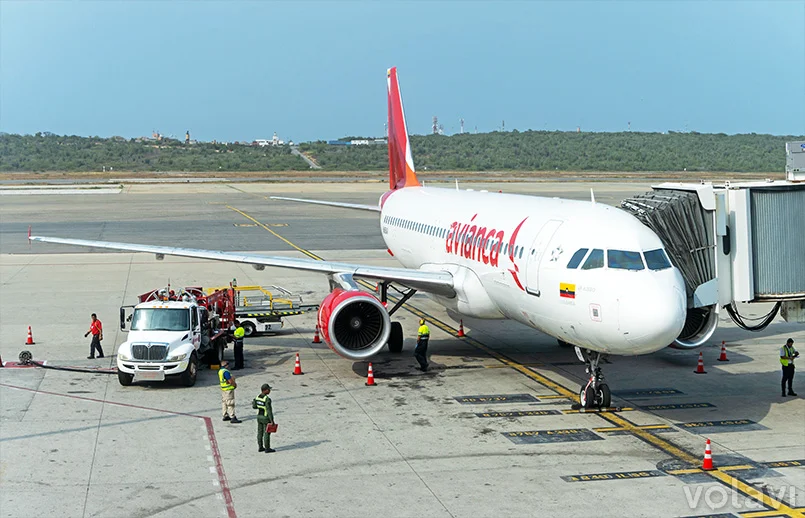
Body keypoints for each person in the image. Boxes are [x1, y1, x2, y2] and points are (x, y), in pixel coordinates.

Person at [252, 383, 276, 453]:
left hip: (259, 417)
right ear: (265, 390)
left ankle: (260, 447)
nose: (269, 391)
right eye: (268, 389)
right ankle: (267, 448)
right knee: (267, 433)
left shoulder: (257, 397)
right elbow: (269, 410)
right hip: (265, 418)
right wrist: (272, 420)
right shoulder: (267, 399)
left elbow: (254, 406)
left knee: (260, 433)